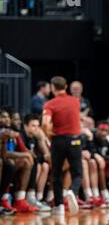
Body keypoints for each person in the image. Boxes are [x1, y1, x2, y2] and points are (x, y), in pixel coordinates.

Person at [42, 76, 81, 216]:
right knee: (77, 172)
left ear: (52, 88)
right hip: (75, 140)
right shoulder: (75, 101)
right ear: (66, 86)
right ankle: (72, 191)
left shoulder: (50, 104)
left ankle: (58, 206)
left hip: (58, 140)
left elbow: (46, 122)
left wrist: (48, 134)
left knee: (56, 172)